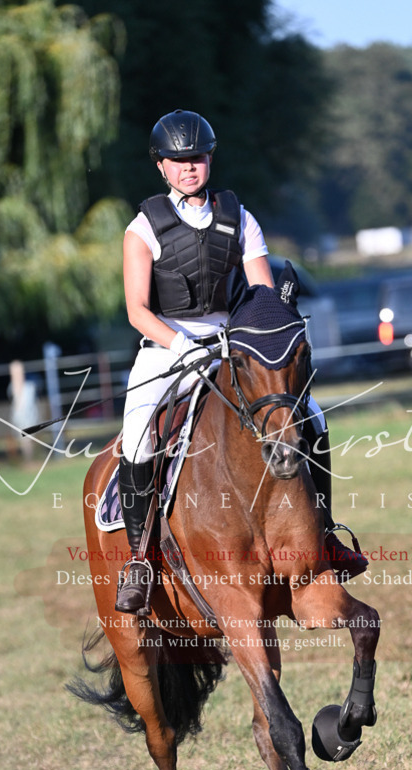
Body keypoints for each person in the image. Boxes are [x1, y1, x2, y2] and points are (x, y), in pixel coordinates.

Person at [116, 109, 366, 613]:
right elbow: (137, 311)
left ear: (210, 159)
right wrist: (180, 345)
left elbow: (261, 295)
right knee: (140, 436)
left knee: (310, 417)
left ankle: (327, 535)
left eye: (198, 158)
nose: (189, 167)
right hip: (166, 347)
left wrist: (257, 331)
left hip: (233, 344)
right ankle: (140, 560)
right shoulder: (142, 229)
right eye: (178, 160)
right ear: (161, 166)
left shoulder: (240, 218)